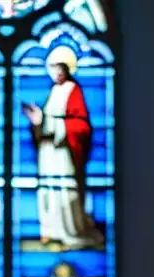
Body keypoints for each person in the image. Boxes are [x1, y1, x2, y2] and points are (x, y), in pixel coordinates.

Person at [21, 45, 103, 250]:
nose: (56, 72)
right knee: (48, 191)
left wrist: (49, 123)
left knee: (65, 190)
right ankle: (50, 232)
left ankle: (69, 232)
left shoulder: (73, 91)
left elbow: (81, 126)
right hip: (48, 152)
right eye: (52, 68)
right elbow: (46, 123)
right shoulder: (54, 91)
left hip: (64, 154)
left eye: (59, 67)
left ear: (67, 69)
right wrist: (37, 122)